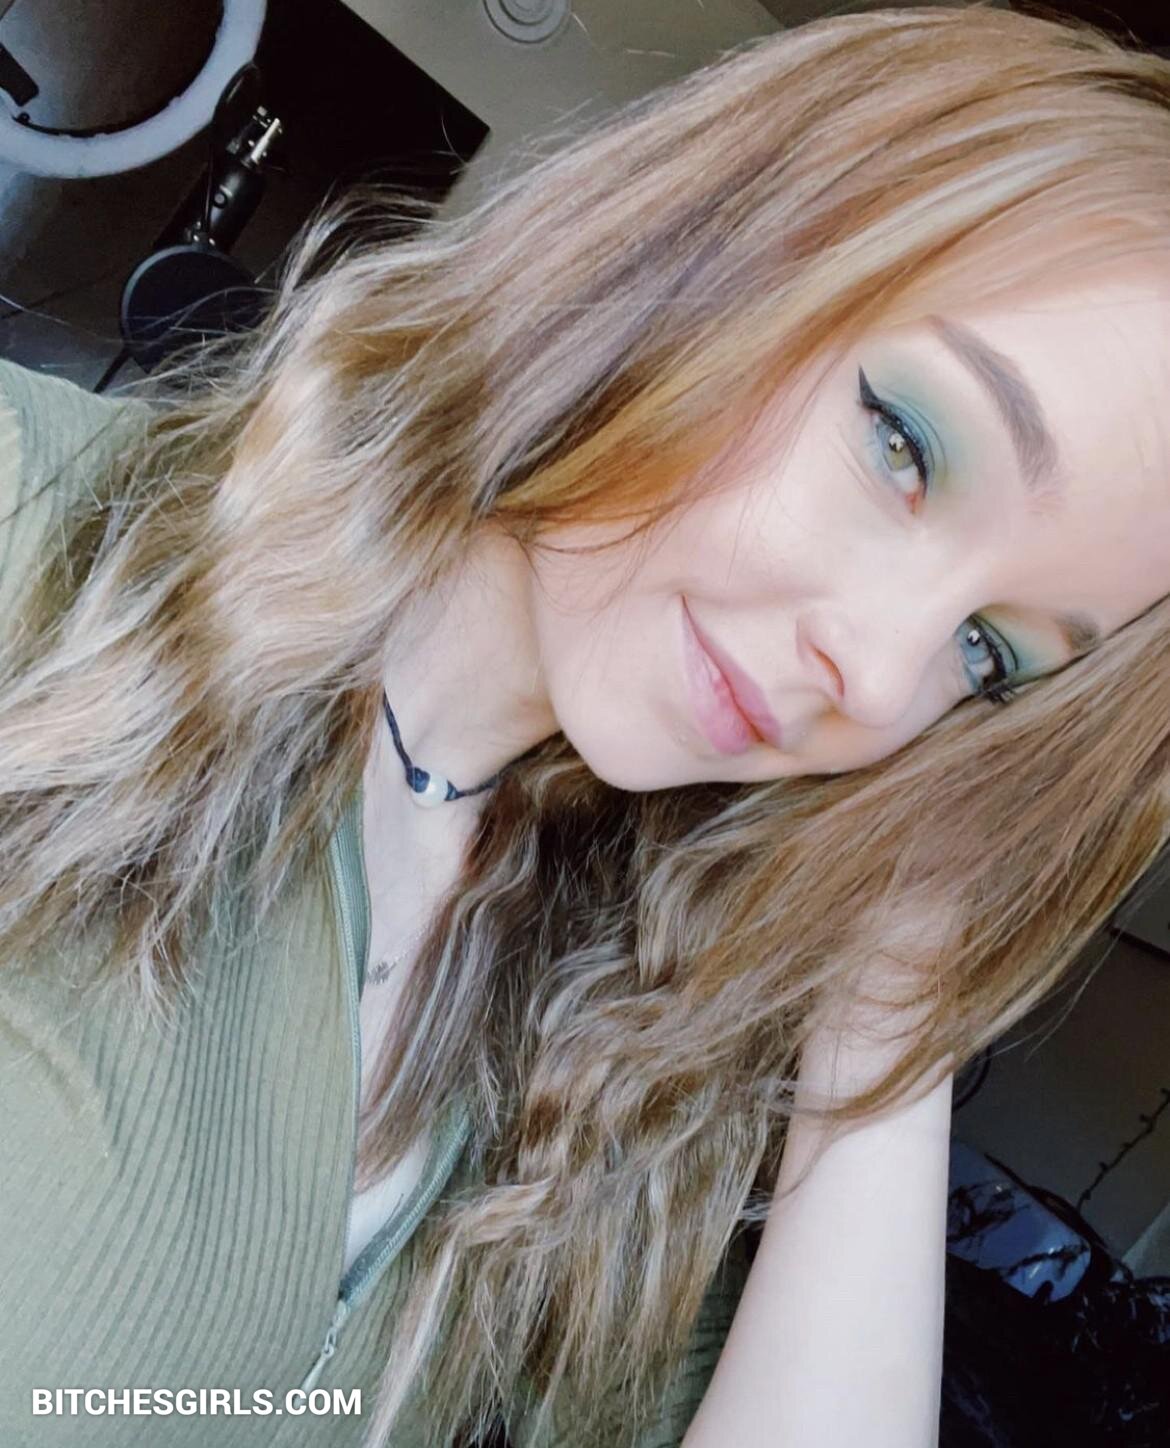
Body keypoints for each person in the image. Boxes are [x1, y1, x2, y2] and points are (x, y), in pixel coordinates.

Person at [2, 3, 1170, 1445]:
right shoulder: (31, 534)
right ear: (713, 243)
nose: (875, 680)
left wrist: (898, 979)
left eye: (986, 657)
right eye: (902, 443)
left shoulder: (629, 1051)